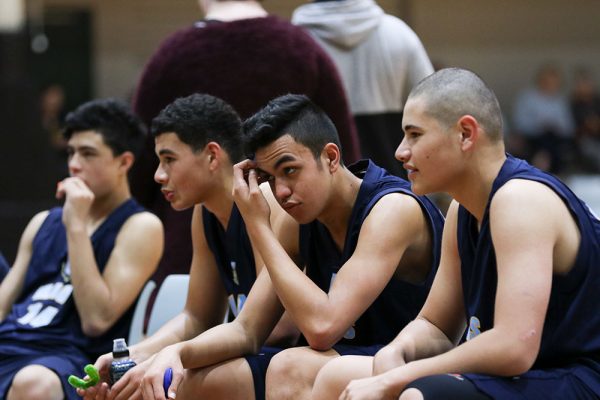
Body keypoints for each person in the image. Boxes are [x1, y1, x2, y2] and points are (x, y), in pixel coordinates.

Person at [128, 93, 442, 400]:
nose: (280, 191)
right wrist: (174, 353)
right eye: (268, 177)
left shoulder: (391, 209)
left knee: (291, 366)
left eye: (289, 170)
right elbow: (247, 330)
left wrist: (258, 226)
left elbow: (322, 327)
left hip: (406, 359)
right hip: (341, 359)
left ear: (331, 157)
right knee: (189, 379)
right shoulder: (296, 219)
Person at [312, 67, 600, 400]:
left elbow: (514, 347)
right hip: (528, 377)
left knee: (421, 394)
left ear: (465, 134)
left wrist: (402, 376)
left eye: (415, 135)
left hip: (578, 378)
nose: (400, 151)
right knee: (336, 376)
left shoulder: (520, 200)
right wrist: (398, 350)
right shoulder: (461, 210)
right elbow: (436, 325)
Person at [129, 0, 361, 300]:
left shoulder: (171, 54)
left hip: (197, 237)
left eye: (169, 160)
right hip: (213, 226)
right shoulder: (301, 46)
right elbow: (347, 151)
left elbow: (138, 164)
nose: (161, 175)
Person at [79, 93, 299, 400]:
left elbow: (277, 329)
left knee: (162, 384)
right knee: (136, 379)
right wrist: (133, 355)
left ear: (211, 156)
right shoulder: (204, 213)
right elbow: (197, 317)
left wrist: (173, 356)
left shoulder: (264, 200)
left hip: (287, 358)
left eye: (169, 159)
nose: (158, 175)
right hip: (248, 354)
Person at [0, 99, 164, 400]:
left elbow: (96, 319)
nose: (74, 164)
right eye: (71, 152)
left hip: (69, 358)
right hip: (10, 344)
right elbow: (3, 303)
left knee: (34, 383)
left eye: (88, 153)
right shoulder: (42, 222)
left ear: (124, 162)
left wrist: (76, 224)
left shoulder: (140, 225)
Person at [292, 0, 433, 177]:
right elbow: (432, 111)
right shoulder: (400, 33)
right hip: (395, 182)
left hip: (322, 184)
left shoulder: (293, 41)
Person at [512, 63, 576, 174]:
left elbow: (568, 127)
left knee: (553, 140)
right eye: (547, 81)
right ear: (540, 80)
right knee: (544, 139)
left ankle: (543, 162)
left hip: (556, 138)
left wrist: (554, 125)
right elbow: (520, 122)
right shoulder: (527, 97)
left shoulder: (560, 100)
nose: (550, 85)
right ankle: (543, 165)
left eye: (554, 82)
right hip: (533, 136)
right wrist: (539, 125)